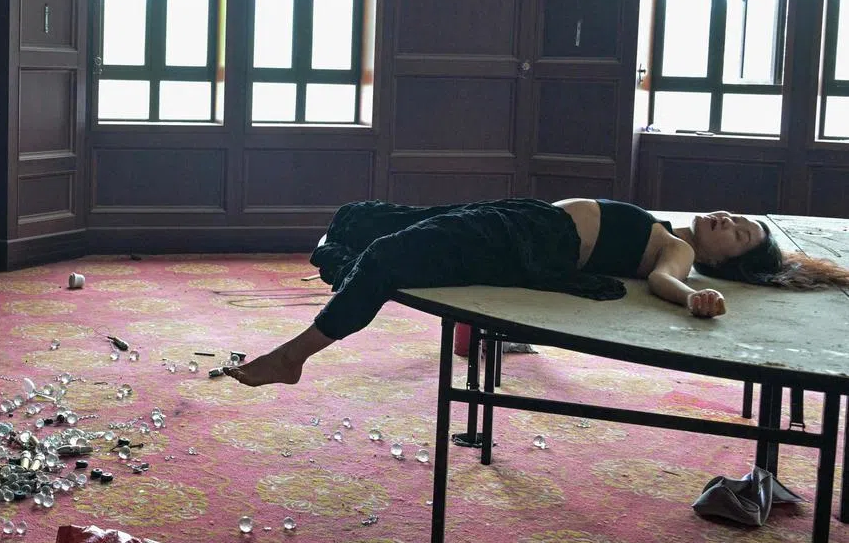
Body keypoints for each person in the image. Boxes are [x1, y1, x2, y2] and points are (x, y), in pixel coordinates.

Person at [223, 197, 849, 388]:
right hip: (523, 220)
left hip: (532, 242)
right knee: (370, 221)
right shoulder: (675, 221)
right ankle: (312, 335)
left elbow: (665, 280)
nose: (727, 222)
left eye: (737, 236)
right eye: (734, 218)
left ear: (724, 262)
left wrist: (692, 298)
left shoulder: (677, 251)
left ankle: (296, 356)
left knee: (389, 253)